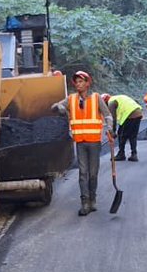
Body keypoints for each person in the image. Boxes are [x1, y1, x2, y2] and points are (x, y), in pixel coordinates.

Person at [52, 71, 113, 216]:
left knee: (93, 174)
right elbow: (56, 106)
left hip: (94, 143)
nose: (78, 84)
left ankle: (93, 200)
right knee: (83, 174)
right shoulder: (71, 99)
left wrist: (110, 127)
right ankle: (85, 203)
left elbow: (108, 115)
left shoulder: (97, 98)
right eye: (76, 82)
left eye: (81, 81)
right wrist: (58, 108)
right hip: (80, 143)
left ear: (87, 83)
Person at [103, 93, 142, 161]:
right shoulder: (118, 97)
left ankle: (121, 154)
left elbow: (113, 118)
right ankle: (134, 154)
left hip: (130, 115)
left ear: (105, 101)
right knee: (133, 135)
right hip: (138, 113)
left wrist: (113, 131)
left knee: (121, 135)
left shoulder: (111, 102)